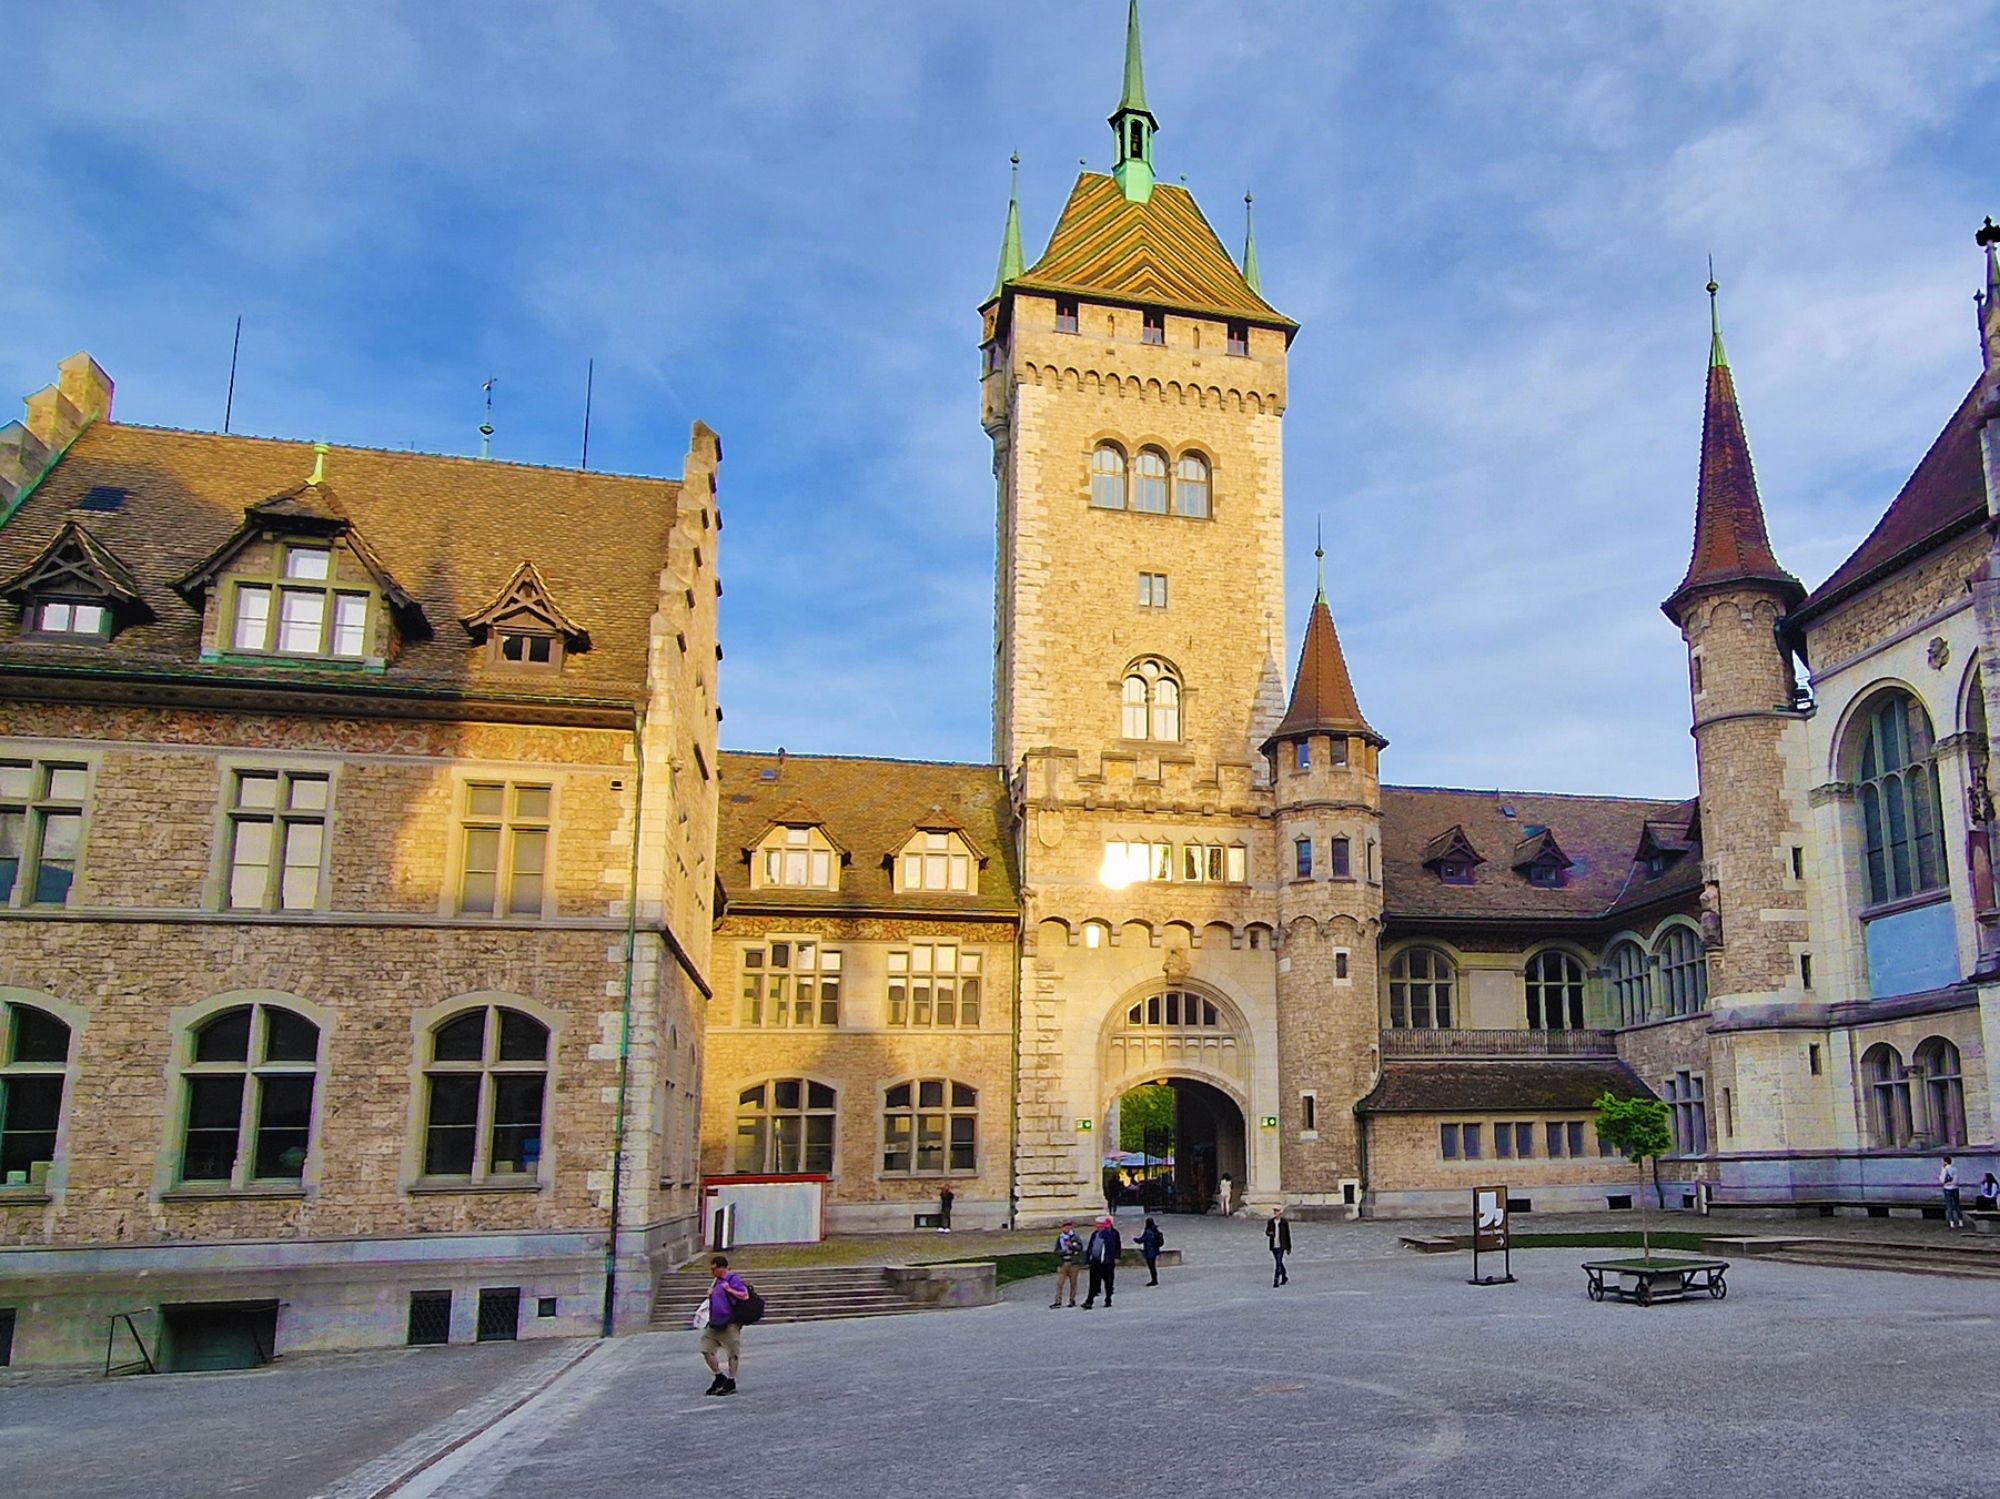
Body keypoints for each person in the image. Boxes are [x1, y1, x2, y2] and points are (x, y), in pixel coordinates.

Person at [700, 1254, 751, 1396]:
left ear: (722, 1267)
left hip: (730, 1323)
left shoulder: (733, 1279)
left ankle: (731, 1381)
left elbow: (744, 1295)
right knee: (706, 1349)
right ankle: (718, 1376)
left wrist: (729, 1289)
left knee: (732, 1352)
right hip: (714, 1322)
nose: (712, 1272)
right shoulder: (715, 1281)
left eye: (714, 1269)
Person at [1082, 1214, 1121, 1308]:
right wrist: (1088, 1259)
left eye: (1099, 1224)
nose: (1097, 1226)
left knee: (1108, 1282)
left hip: (1107, 1262)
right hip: (1095, 1262)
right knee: (1093, 1282)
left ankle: (1108, 1299)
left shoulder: (1112, 1234)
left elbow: (1116, 1246)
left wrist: (1116, 1257)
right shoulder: (1095, 1234)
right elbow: (1091, 1246)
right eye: (1096, 1224)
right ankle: (1089, 1301)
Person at [1052, 1220, 1085, 1308]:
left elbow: (1080, 1247)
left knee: (1073, 1282)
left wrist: (1071, 1246)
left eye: (1068, 1226)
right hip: (1063, 1262)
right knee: (1060, 1283)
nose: (1066, 1228)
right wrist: (1064, 1251)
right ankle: (1058, 1300)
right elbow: (1056, 1250)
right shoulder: (1060, 1238)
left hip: (1073, 1263)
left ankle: (1072, 1300)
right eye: (1064, 1227)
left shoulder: (1075, 1237)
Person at [1266, 1204, 1291, 1286]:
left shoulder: (1284, 1222)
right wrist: (1270, 1233)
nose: (1276, 1213)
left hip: (1281, 1245)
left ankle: (1276, 1279)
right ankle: (1284, 1276)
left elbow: (1287, 1235)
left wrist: (1289, 1247)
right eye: (1275, 1211)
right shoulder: (1270, 1222)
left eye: (1277, 1211)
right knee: (1279, 1262)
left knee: (1278, 1262)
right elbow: (1267, 1232)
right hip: (1274, 1245)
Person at [1136, 1216, 1166, 1285]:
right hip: (1154, 1251)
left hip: (1149, 1251)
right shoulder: (1155, 1230)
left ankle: (1154, 1280)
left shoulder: (1148, 1232)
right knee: (1153, 1266)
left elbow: (1142, 1240)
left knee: (1151, 1267)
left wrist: (1135, 1239)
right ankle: (1155, 1279)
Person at [1940, 1155, 1965, 1229]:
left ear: (1945, 1162)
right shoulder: (1955, 1169)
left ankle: (1952, 1222)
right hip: (1955, 1188)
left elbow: (1942, 1180)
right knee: (1957, 1205)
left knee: (1949, 1206)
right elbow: (1956, 1179)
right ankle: (1960, 1221)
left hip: (1947, 1188)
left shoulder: (1944, 1169)